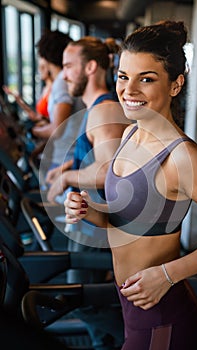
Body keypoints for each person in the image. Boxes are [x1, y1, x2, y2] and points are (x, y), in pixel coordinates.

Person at [64, 21, 197, 350]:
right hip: (133, 313)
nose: (129, 90)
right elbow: (124, 221)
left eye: (147, 79)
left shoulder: (186, 158)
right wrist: (89, 209)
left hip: (163, 320)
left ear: (175, 85)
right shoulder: (129, 134)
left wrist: (169, 274)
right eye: (124, 76)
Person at [45, 36, 129, 350]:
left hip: (97, 222)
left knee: (82, 300)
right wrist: (70, 162)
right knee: (85, 297)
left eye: (69, 66)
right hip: (89, 218)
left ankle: (135, 341)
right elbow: (99, 155)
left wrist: (67, 176)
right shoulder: (96, 109)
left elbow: (109, 171)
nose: (64, 75)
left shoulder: (103, 111)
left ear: (90, 67)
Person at [32, 30, 85, 180]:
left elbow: (57, 129)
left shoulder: (61, 82)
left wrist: (35, 131)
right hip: (66, 154)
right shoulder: (62, 80)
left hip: (64, 158)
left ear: (45, 58)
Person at [2, 56, 52, 122]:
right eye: (39, 66)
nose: (40, 69)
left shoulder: (53, 90)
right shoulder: (45, 88)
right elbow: (36, 115)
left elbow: (48, 120)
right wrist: (17, 98)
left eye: (43, 67)